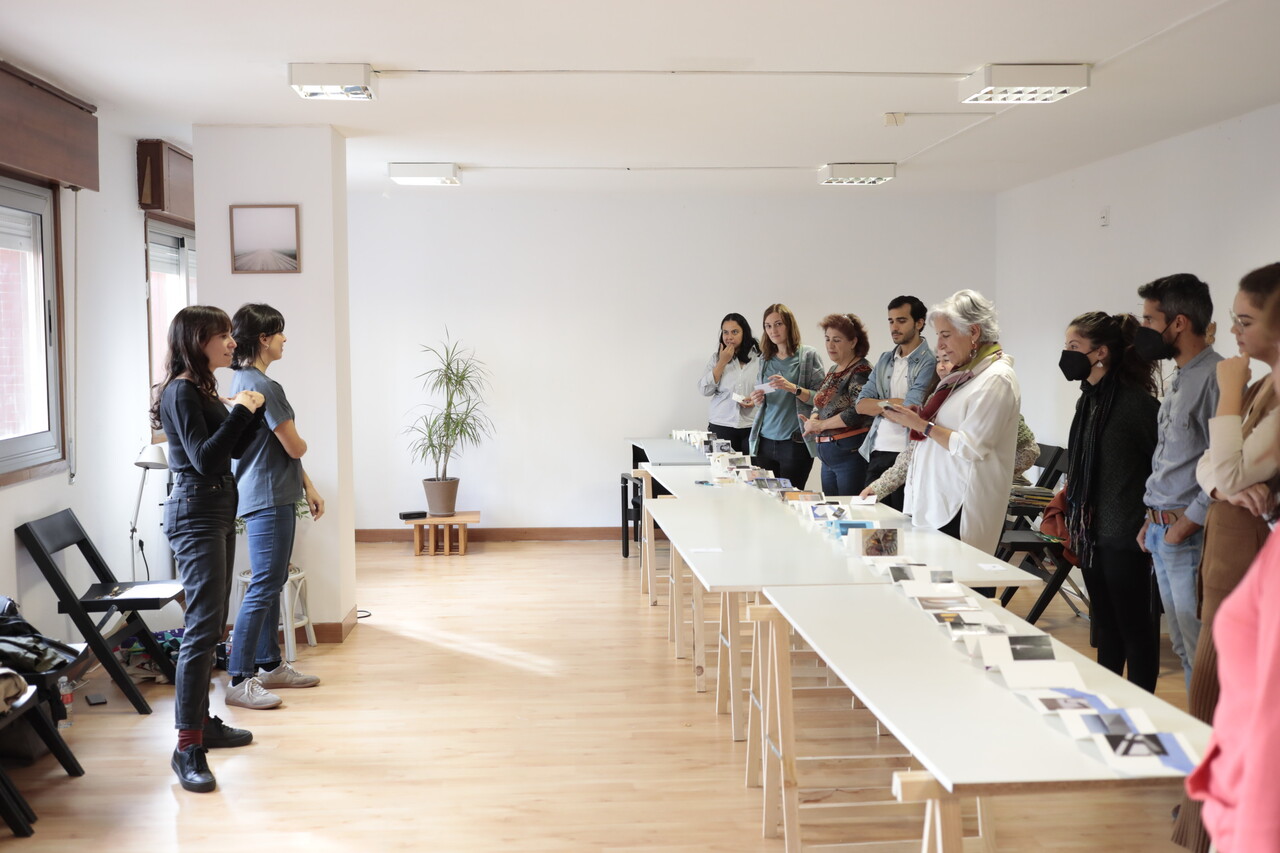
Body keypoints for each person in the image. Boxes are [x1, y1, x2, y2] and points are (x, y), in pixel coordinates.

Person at [1174, 263, 1280, 853]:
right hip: (1226, 560)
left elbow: (1228, 467)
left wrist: (1231, 389)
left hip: (1249, 570)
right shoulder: (1265, 387)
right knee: (1208, 698)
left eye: (1245, 321)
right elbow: (1210, 467)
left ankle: (1218, 831)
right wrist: (1226, 485)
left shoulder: (1259, 389)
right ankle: (1205, 829)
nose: (1234, 332)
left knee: (1225, 700)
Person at [151, 305, 265, 793]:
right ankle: (187, 747)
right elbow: (202, 458)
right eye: (223, 335)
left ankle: (203, 725)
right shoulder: (180, 390)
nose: (232, 343)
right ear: (198, 340)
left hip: (216, 507)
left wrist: (249, 413)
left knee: (214, 624)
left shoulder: (201, 389)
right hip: (196, 510)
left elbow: (230, 450)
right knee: (201, 630)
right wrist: (241, 410)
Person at [226, 304, 324, 711]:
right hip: (268, 496)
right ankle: (239, 678)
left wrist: (308, 485)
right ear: (263, 339)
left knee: (272, 580)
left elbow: (278, 448)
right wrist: (304, 446)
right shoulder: (263, 385)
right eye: (279, 332)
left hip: (272, 492)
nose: (285, 338)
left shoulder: (243, 380)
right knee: (266, 583)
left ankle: (269, 664)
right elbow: (294, 446)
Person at [1059, 311, 1161, 692]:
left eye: (1074, 346)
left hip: (1125, 535)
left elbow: (1163, 465)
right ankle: (1108, 700)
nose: (1067, 354)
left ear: (1100, 352)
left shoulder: (1137, 405)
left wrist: (1152, 516)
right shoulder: (1087, 401)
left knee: (1135, 629)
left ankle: (1141, 707)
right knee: (1105, 625)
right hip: (1091, 534)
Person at [880, 289, 1021, 556]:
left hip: (960, 506)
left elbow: (971, 447)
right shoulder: (964, 375)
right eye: (938, 335)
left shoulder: (996, 379)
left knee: (961, 580)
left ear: (973, 332)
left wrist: (922, 425)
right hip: (936, 503)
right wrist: (919, 417)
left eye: (945, 335)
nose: (940, 345)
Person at [1134, 273, 1221, 691]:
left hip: (1186, 535)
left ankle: (1209, 731)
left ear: (1179, 323)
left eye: (1150, 320)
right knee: (1185, 649)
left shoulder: (1216, 377)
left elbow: (1224, 463)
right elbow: (1172, 458)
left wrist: (1186, 523)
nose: (1144, 329)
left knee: (1199, 652)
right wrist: (1151, 517)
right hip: (1162, 529)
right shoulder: (1182, 375)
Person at [862, 358, 1039, 503]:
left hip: (971, 499)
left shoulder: (983, 394)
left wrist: (988, 480)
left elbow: (1028, 451)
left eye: (947, 360)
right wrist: (879, 487)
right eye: (938, 360)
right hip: (940, 496)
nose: (941, 366)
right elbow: (912, 453)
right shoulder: (934, 400)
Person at [855, 296, 937, 510]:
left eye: (901, 320)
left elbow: (910, 411)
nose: (894, 327)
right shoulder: (885, 359)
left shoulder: (929, 361)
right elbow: (861, 405)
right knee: (871, 520)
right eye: (891, 321)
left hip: (906, 455)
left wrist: (879, 405)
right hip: (876, 449)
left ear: (919, 323)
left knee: (900, 523)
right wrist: (892, 403)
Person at [748, 304, 825, 489]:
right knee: (765, 499)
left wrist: (793, 388)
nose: (773, 330)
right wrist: (757, 399)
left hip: (794, 444)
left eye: (778, 324)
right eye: (768, 326)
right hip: (764, 441)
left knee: (791, 498)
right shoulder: (765, 359)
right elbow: (764, 399)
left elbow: (822, 399)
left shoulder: (808, 355)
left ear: (789, 325)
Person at [800, 314, 874, 495]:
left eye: (837, 340)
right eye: (827, 339)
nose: (830, 345)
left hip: (849, 454)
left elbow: (858, 411)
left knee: (850, 509)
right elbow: (821, 401)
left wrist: (822, 425)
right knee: (832, 508)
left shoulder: (861, 370)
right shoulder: (834, 369)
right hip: (828, 456)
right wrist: (813, 420)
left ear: (853, 342)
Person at [697, 313, 759, 454]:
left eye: (734, 332)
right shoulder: (716, 358)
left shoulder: (759, 357)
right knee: (721, 467)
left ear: (744, 333)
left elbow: (770, 388)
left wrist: (755, 399)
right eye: (725, 332)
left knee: (753, 467)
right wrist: (722, 362)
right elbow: (704, 390)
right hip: (721, 424)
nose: (729, 337)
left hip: (752, 425)